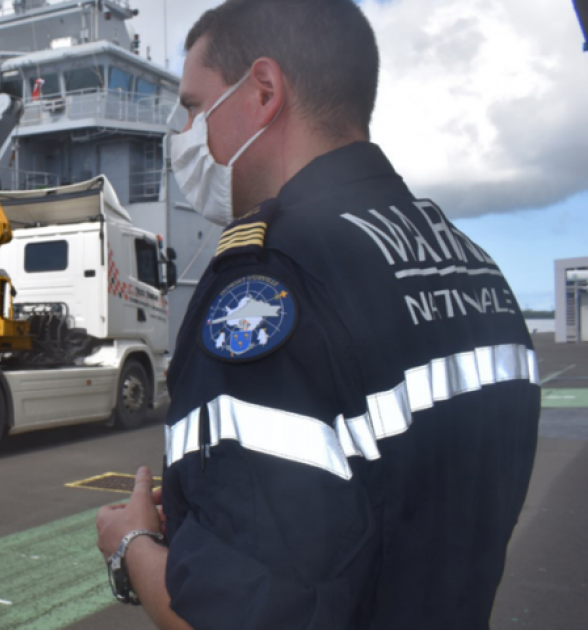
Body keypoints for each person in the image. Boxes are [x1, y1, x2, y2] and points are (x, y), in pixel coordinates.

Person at [95, 1, 540, 629]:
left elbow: (229, 616)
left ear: (265, 91)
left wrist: (130, 547)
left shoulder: (270, 279)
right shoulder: (472, 264)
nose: (185, 134)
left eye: (194, 107)